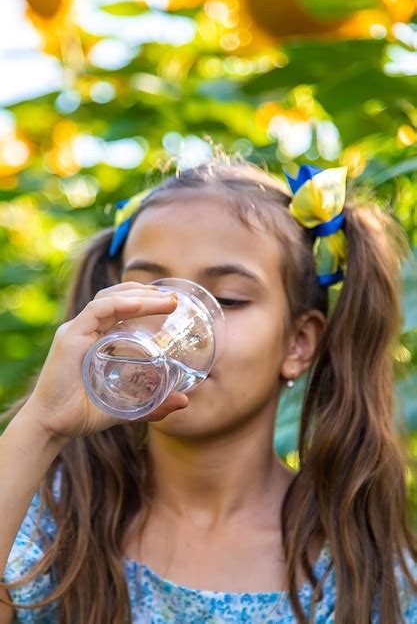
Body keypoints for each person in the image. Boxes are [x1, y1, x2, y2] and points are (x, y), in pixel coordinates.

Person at [0, 154, 416, 624]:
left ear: (298, 343)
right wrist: (42, 426)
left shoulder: (358, 570)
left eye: (228, 300)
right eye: (146, 293)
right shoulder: (45, 517)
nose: (172, 327)